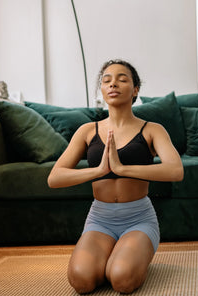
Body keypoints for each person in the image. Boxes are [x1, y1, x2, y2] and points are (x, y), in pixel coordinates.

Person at [48, 59, 183, 294]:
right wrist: (99, 171)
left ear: (135, 90)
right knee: (81, 281)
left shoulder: (152, 129)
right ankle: (112, 255)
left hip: (138, 219)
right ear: (101, 89)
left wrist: (122, 169)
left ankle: (129, 256)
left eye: (122, 79)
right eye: (107, 80)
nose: (113, 84)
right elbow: (55, 178)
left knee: (121, 280)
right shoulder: (87, 131)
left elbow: (175, 170)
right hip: (100, 219)